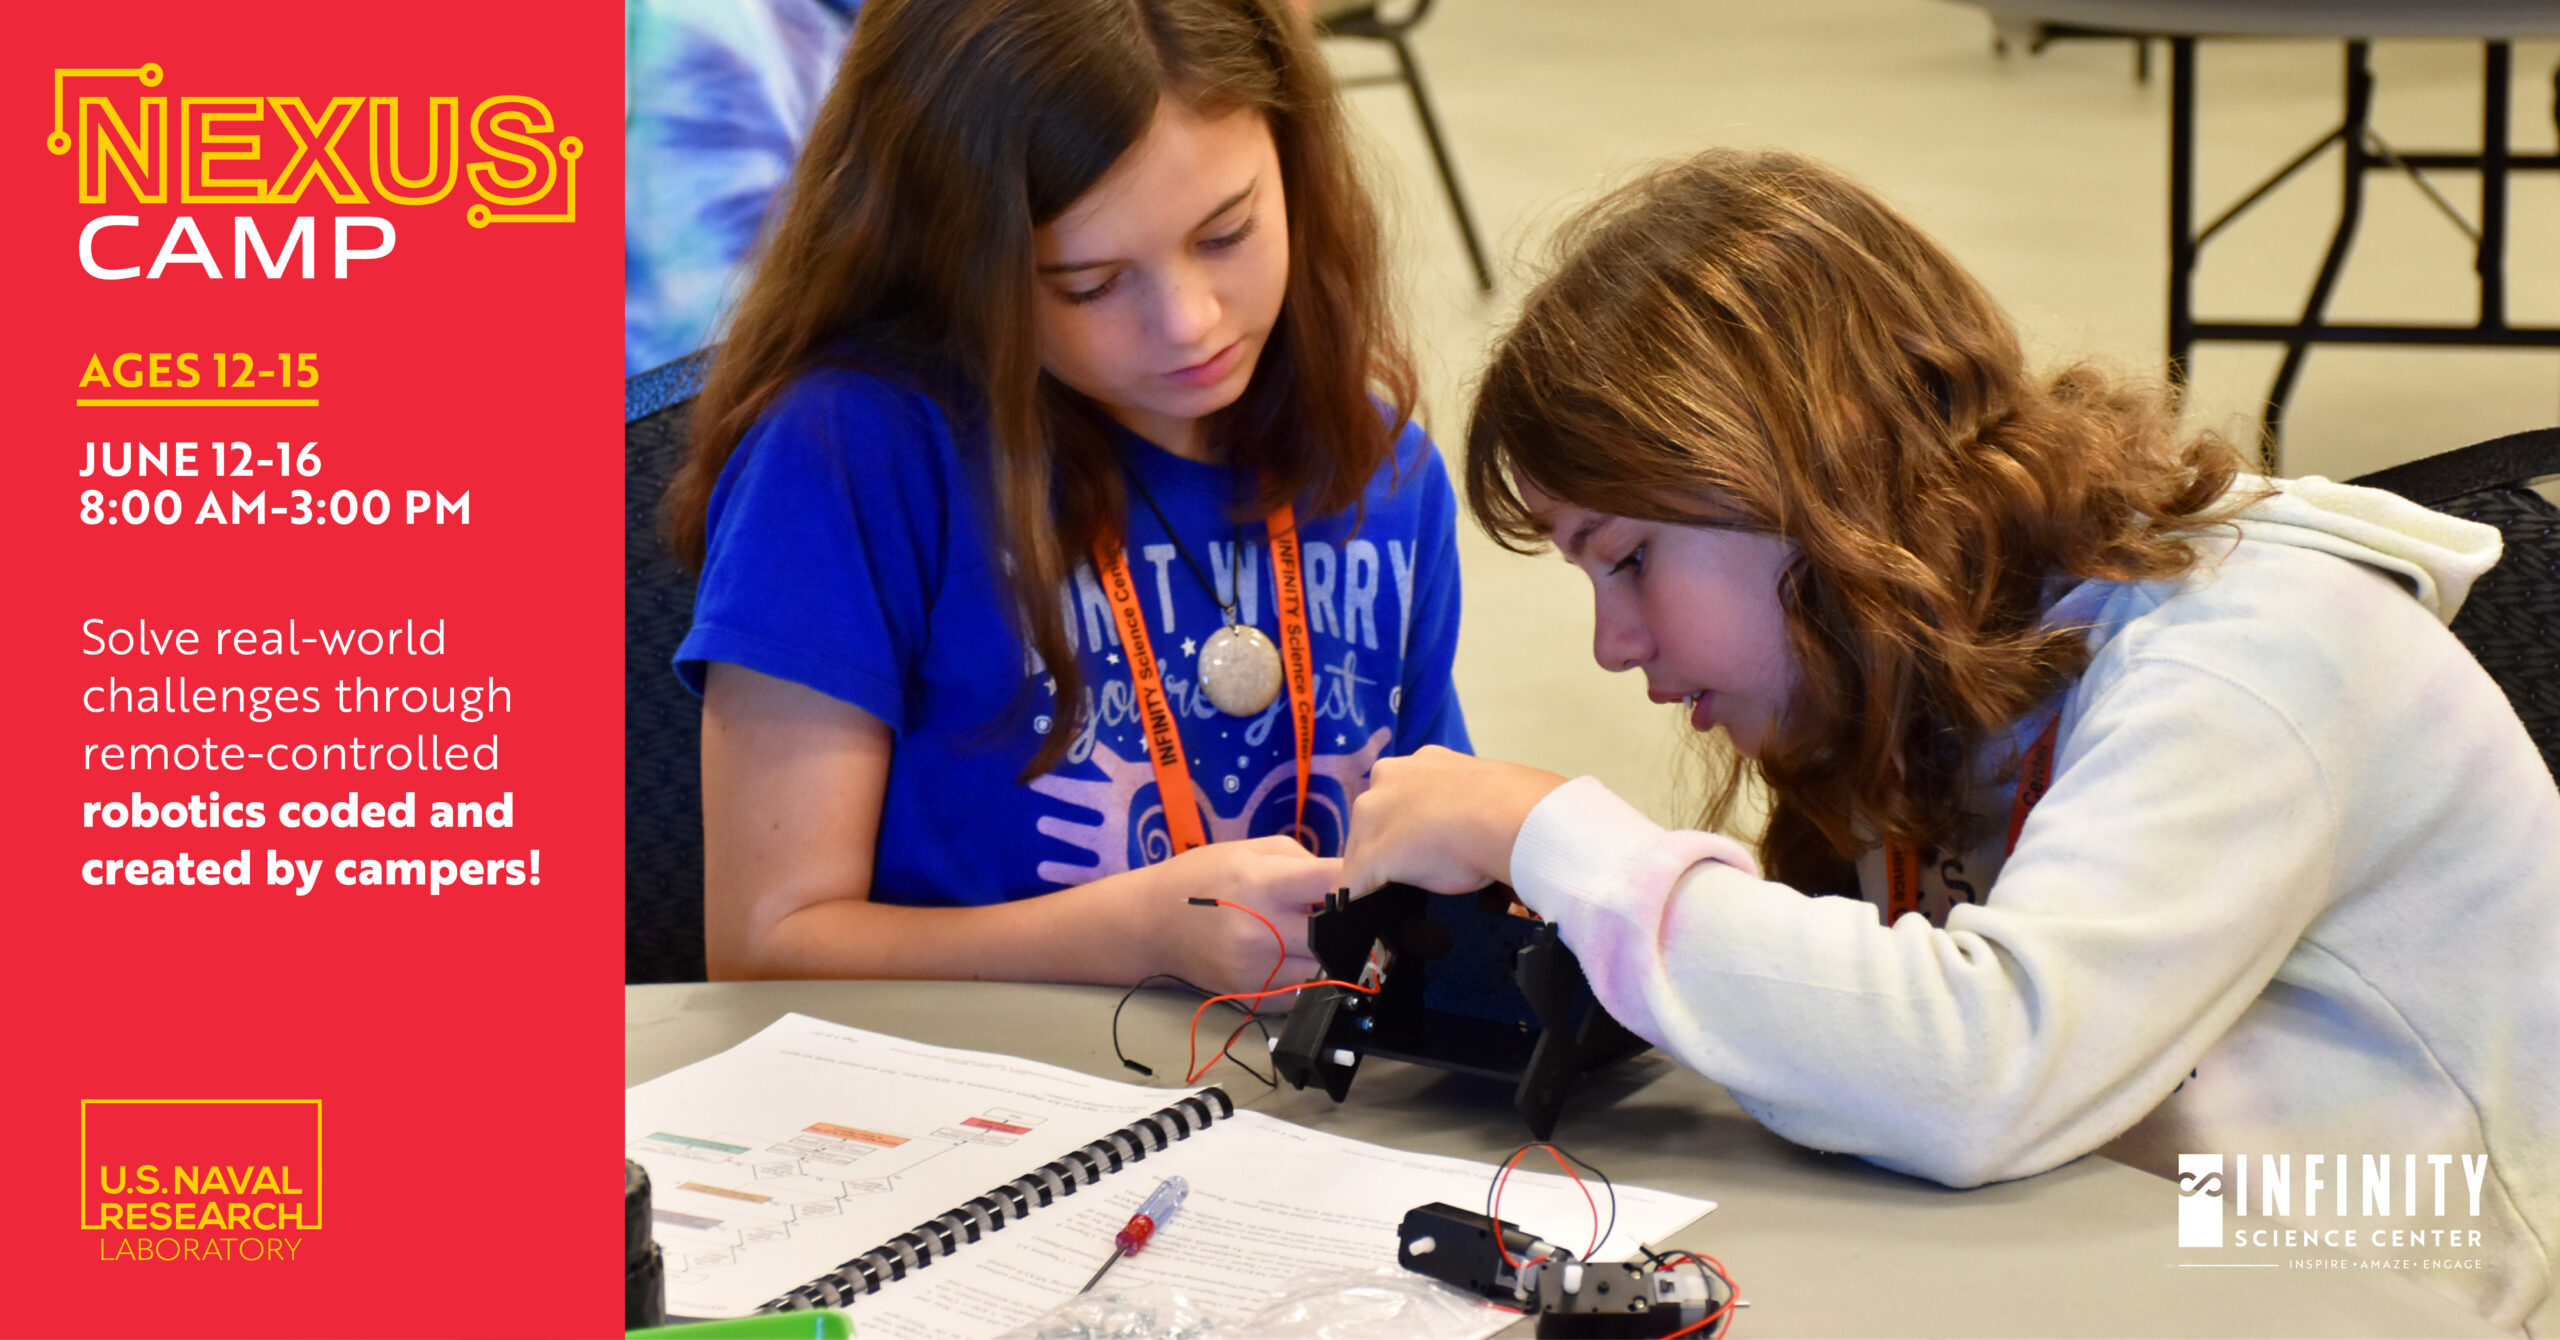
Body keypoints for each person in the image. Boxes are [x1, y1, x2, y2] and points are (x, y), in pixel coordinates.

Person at [1340, 149, 2558, 1333]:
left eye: (1629, 559)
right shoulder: (1911, 659)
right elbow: (1895, 1026)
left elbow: (1982, 1066)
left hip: (2412, 1267)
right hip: (2153, 1233)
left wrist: (1556, 834)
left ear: (1808, 477)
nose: (1613, 642)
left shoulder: (2244, 650)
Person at [665, 0, 1468, 998]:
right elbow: (764, 945)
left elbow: (1428, 848)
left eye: (1226, 234)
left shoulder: (1377, 461)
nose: (1188, 323)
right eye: (1088, 285)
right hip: (964, 1109)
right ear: (962, 268)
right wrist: (1135, 932)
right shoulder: (848, 456)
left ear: (1294, 165)